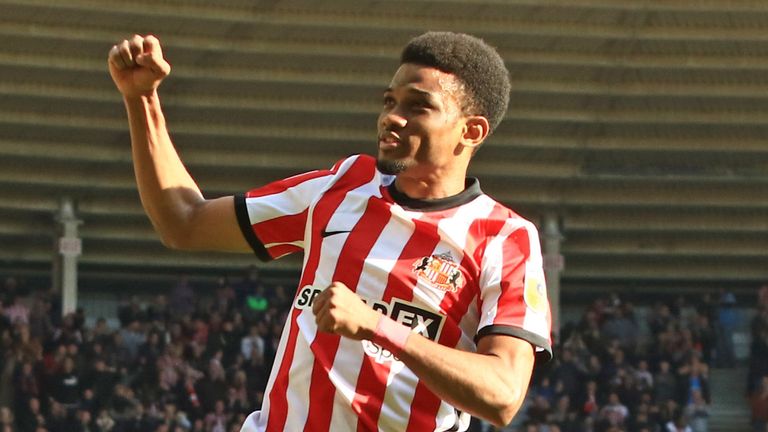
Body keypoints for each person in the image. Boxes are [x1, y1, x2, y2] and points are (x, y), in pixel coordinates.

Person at [108, 30, 552, 431]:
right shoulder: (341, 186)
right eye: (388, 101)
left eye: (418, 106)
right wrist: (141, 98)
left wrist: (378, 326)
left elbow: (503, 394)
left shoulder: (505, 237)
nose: (392, 117)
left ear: (471, 131)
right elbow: (184, 222)